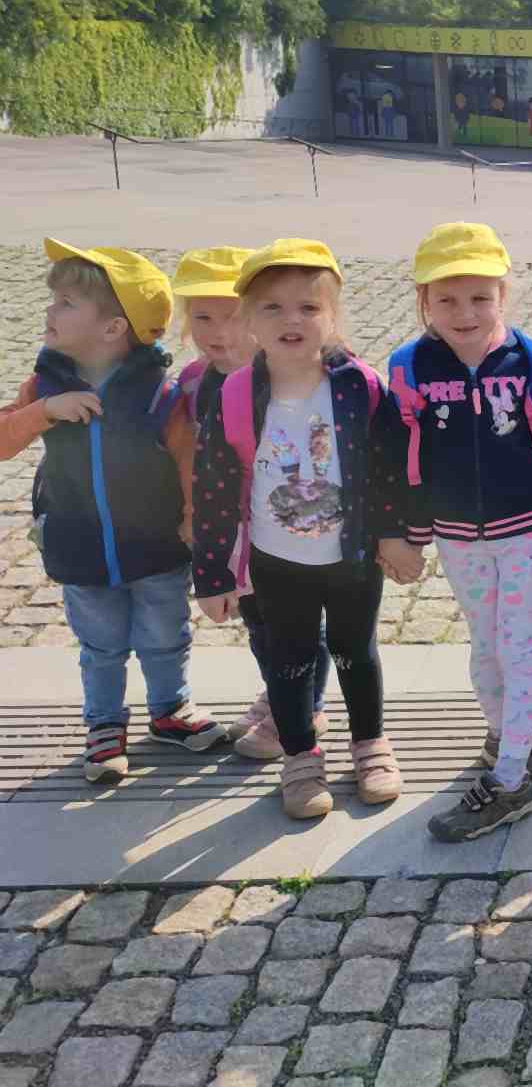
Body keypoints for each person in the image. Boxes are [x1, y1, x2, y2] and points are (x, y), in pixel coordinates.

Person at [384, 224, 532, 843]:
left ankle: (509, 782)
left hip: (523, 533)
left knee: (517, 645)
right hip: (456, 536)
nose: (465, 313)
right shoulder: (410, 370)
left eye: (480, 297)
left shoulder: (530, 365)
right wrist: (406, 532)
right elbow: (402, 457)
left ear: (503, 296)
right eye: (448, 299)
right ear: (425, 301)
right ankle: (515, 738)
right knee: (485, 647)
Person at [192, 240, 411, 820]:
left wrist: (396, 534)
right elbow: (212, 487)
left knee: (355, 652)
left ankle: (370, 742)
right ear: (248, 320)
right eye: (273, 308)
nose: (292, 320)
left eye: (308, 307)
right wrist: (212, 574)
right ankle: (300, 754)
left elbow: (390, 465)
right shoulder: (235, 394)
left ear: (332, 316)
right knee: (287, 660)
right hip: (276, 562)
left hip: (351, 558)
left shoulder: (360, 387)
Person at [1, 240, 221, 786]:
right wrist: (44, 411)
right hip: (79, 547)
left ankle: (170, 709)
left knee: (165, 635)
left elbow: (188, 459)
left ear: (113, 328)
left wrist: (193, 517)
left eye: (66, 303)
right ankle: (103, 725)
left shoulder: (160, 394)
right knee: (100, 646)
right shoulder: (44, 385)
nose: (50, 310)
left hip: (157, 548)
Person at [170, 246, 332, 761]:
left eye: (232, 316)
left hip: (283, 525)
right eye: (202, 317)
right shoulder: (195, 381)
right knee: (257, 621)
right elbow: (190, 457)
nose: (218, 332)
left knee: (297, 623)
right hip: (231, 529)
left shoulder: (281, 378)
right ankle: (280, 692)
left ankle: (303, 709)